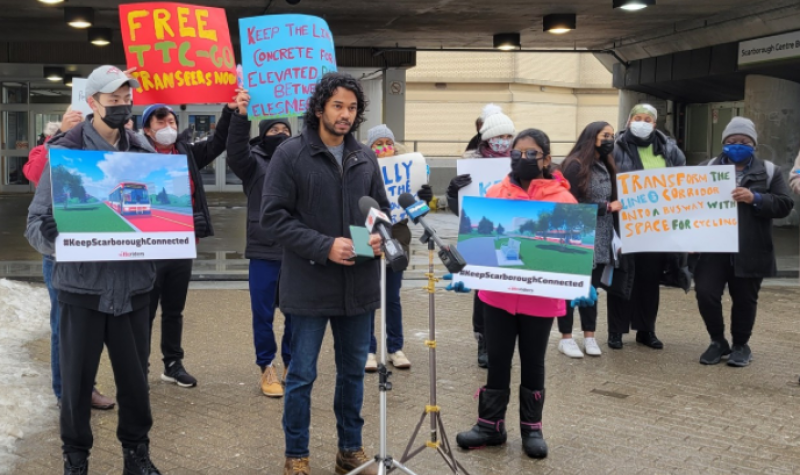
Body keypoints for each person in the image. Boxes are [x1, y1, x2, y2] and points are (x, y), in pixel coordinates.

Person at [24, 65, 161, 475]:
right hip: (81, 290)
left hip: (134, 289)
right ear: (93, 102)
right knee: (77, 383)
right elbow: (34, 223)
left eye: (126, 99)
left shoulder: (143, 152)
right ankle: (75, 457)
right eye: (113, 99)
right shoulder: (64, 153)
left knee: (135, 384)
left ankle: (136, 455)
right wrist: (55, 239)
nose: (121, 106)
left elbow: (157, 216)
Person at [260, 72, 389, 475]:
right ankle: (296, 455)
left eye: (352, 108)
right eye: (337, 106)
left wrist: (381, 236)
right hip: (309, 286)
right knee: (302, 376)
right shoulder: (290, 154)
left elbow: (379, 211)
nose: (345, 115)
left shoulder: (365, 156)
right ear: (319, 108)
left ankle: (349, 450)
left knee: (353, 373)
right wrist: (324, 246)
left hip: (358, 286)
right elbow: (273, 218)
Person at [454, 129, 596, 459]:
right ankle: (490, 425)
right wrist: (467, 268)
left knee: (534, 362)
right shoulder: (497, 191)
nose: (523, 159)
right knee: (498, 361)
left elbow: (572, 249)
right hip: (497, 298)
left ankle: (532, 428)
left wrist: (579, 280)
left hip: (541, 301)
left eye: (531, 154)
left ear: (546, 158)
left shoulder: (564, 200)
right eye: (517, 154)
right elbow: (481, 237)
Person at [23, 108, 116, 412]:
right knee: (63, 327)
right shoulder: (54, 147)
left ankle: (85, 387)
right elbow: (35, 173)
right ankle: (66, 393)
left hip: (93, 253)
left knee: (90, 329)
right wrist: (58, 137)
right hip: (59, 255)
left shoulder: (101, 151)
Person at [141, 96, 237, 389]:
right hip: (147, 248)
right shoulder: (133, 155)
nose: (168, 125)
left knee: (173, 310)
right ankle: (138, 365)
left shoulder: (187, 153)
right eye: (161, 121)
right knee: (144, 311)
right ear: (147, 129)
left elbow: (219, 141)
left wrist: (229, 110)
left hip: (181, 245)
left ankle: (173, 364)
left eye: (171, 120)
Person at [693, 117, 793, 367]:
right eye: (732, 141)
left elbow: (784, 205)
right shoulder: (705, 168)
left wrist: (755, 198)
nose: (738, 144)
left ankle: (740, 345)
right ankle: (717, 341)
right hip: (712, 248)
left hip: (751, 247)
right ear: (724, 143)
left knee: (745, 299)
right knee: (705, 293)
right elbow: (688, 207)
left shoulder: (770, 171)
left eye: (744, 141)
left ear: (754, 145)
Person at [226, 90, 294, 398]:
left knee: (297, 311)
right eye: (274, 130)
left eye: (286, 130)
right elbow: (235, 151)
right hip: (264, 250)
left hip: (297, 249)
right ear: (263, 134)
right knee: (263, 314)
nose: (280, 134)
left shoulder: (300, 159)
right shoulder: (253, 163)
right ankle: (267, 367)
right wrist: (240, 116)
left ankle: (293, 364)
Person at [609, 104, 686, 350]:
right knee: (621, 278)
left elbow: (682, 184)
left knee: (649, 279)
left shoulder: (670, 150)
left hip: (656, 228)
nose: (641, 122)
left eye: (647, 119)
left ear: (655, 124)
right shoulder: (614, 147)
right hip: (624, 225)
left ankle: (646, 329)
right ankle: (616, 331)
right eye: (637, 118)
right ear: (629, 120)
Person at [447, 103, 516, 369]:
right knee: (485, 289)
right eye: (499, 136)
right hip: (481, 234)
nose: (503, 141)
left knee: (508, 286)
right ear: (486, 137)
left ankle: (504, 341)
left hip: (510, 232)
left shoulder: (519, 161)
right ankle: (484, 341)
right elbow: (459, 210)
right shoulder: (471, 163)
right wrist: (454, 192)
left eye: (508, 136)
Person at [558, 121, 621, 358]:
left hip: (601, 236)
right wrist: (605, 207)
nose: (609, 140)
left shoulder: (606, 163)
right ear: (592, 136)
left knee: (591, 289)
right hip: (577, 234)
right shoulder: (575, 166)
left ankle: (590, 336)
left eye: (612, 136)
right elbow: (569, 202)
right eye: (605, 135)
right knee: (571, 287)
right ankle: (566, 337)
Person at [363, 124, 413, 372]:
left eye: (388, 143)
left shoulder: (405, 172)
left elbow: (415, 210)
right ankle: (367, 349)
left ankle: (395, 347)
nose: (385, 148)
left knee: (392, 297)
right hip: (368, 237)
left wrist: (421, 196)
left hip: (397, 239)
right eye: (378, 144)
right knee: (369, 296)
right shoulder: (360, 169)